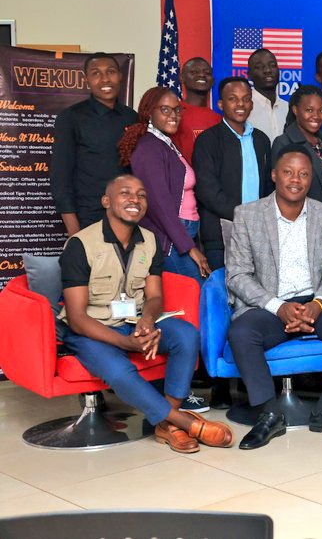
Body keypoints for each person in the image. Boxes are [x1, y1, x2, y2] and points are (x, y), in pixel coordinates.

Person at [57, 174, 232, 452]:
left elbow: (155, 296)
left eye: (141, 195)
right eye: (125, 193)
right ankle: (184, 423)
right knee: (119, 369)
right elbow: (77, 317)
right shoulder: (81, 245)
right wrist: (127, 343)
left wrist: (147, 322)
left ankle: (165, 425)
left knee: (186, 335)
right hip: (91, 329)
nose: (134, 200)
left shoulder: (149, 241)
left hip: (133, 323)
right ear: (106, 201)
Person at [226, 145, 322, 450]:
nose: (296, 179)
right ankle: (269, 415)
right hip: (269, 304)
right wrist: (279, 307)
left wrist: (318, 305)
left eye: (304, 173)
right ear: (274, 176)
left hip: (315, 302)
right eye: (288, 172)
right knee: (241, 332)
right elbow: (237, 274)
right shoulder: (247, 215)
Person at [119, 88, 211, 285]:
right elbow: (159, 205)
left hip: (184, 233)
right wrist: (189, 247)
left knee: (193, 296)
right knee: (196, 292)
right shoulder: (149, 147)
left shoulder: (164, 142)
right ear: (149, 112)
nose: (174, 116)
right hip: (169, 239)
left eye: (177, 110)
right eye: (165, 110)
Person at [193, 77, 273, 271]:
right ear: (221, 104)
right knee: (223, 292)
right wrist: (245, 217)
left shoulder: (261, 140)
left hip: (258, 233)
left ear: (252, 104)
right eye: (232, 98)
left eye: (246, 99)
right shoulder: (208, 140)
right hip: (220, 235)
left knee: (257, 293)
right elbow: (207, 191)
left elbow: (269, 187)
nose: (240, 104)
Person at [51, 53, 137, 234]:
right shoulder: (71, 117)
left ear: (120, 76)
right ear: (86, 80)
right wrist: (73, 229)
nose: (105, 79)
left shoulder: (132, 117)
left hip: (127, 214)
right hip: (88, 217)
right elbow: (61, 176)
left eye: (111, 72)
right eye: (96, 73)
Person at [271, 86, 322, 221]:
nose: (316, 116)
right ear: (295, 110)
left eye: (321, 111)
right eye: (309, 110)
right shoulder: (284, 143)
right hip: (300, 221)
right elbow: (284, 188)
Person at [170, 57, 221, 164]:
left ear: (212, 80)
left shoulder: (219, 119)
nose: (202, 75)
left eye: (207, 72)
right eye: (194, 72)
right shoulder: (174, 114)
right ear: (181, 77)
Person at [247, 49, 289, 141]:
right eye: (259, 67)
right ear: (249, 75)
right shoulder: (245, 108)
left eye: (272, 65)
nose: (267, 70)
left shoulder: (289, 108)